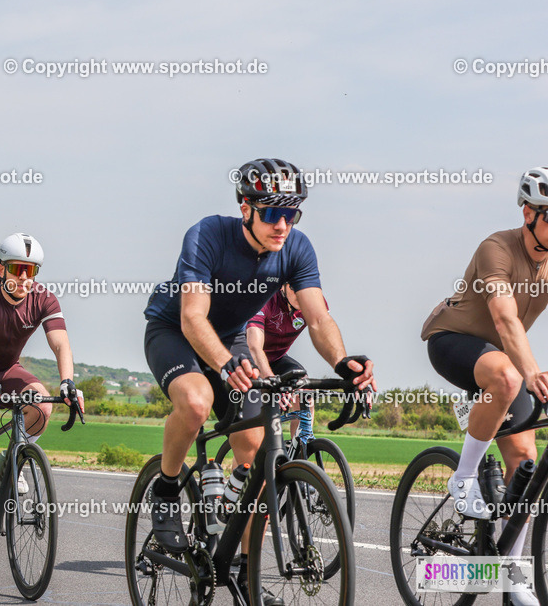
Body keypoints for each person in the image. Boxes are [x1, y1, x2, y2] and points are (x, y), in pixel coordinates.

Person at [142, 158, 374, 604]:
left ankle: (247, 575)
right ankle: (167, 488)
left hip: (229, 339)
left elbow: (319, 317)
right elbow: (193, 318)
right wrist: (228, 363)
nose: (283, 224)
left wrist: (342, 361)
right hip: (175, 331)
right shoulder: (207, 235)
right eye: (272, 212)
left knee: (259, 458)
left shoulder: (297, 247)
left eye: (292, 213)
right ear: (245, 206)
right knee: (195, 402)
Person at [420, 167, 548, 602]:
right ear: (529, 213)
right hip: (454, 340)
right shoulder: (497, 248)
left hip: (501, 358)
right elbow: (504, 318)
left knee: (526, 465)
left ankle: (512, 580)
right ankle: (464, 476)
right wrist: (532, 371)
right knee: (508, 375)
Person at [0, 233, 82, 566]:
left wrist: (67, 381)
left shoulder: (44, 299)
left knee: (43, 402)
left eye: (31, 270)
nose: (24, 278)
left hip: (8, 370)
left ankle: (16, 457)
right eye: (17, 269)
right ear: (1, 268)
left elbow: (61, 344)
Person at [246, 284, 327, 441]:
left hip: (277, 359)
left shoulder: (314, 302)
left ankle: (300, 451)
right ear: (282, 286)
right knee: (253, 438)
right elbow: (254, 348)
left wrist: (349, 370)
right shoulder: (265, 299)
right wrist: (271, 380)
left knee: (305, 388)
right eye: (293, 288)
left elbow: (327, 340)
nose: (299, 294)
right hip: (250, 360)